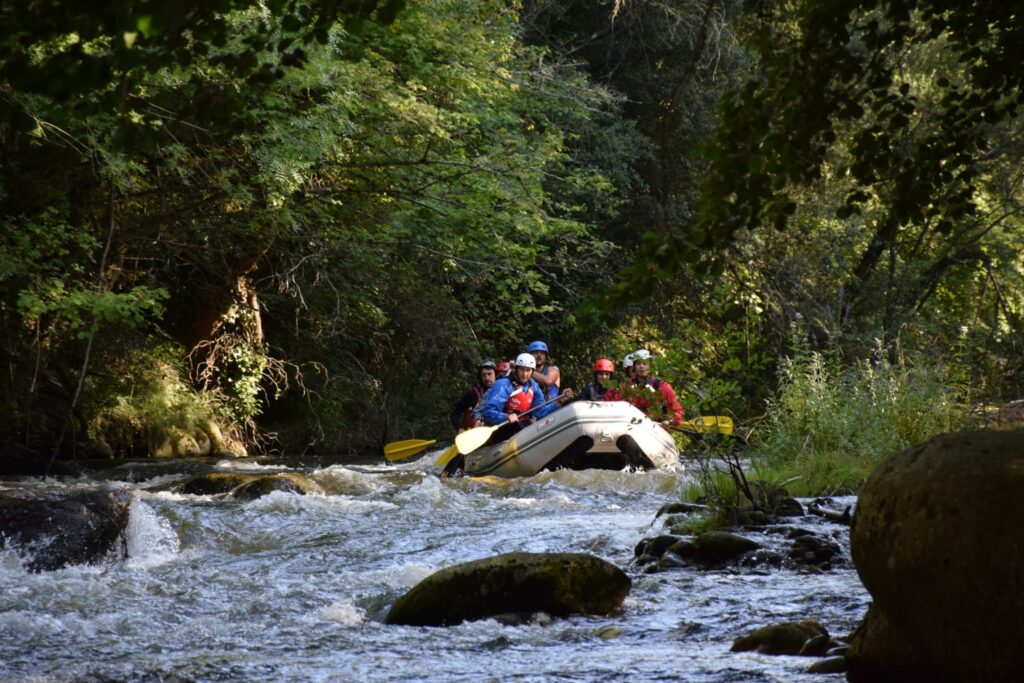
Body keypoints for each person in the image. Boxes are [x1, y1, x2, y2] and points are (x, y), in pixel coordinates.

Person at [625, 348, 684, 427]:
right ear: (634, 367)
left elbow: (678, 412)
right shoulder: (628, 387)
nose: (641, 366)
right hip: (635, 428)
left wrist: (669, 420)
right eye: (638, 364)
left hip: (658, 430)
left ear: (650, 366)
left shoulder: (662, 386)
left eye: (645, 363)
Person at [450, 360, 497, 432]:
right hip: (476, 434)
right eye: (483, 375)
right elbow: (455, 414)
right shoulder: (472, 394)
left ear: (495, 375)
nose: (487, 378)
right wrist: (459, 428)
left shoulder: (503, 390)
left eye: (489, 374)